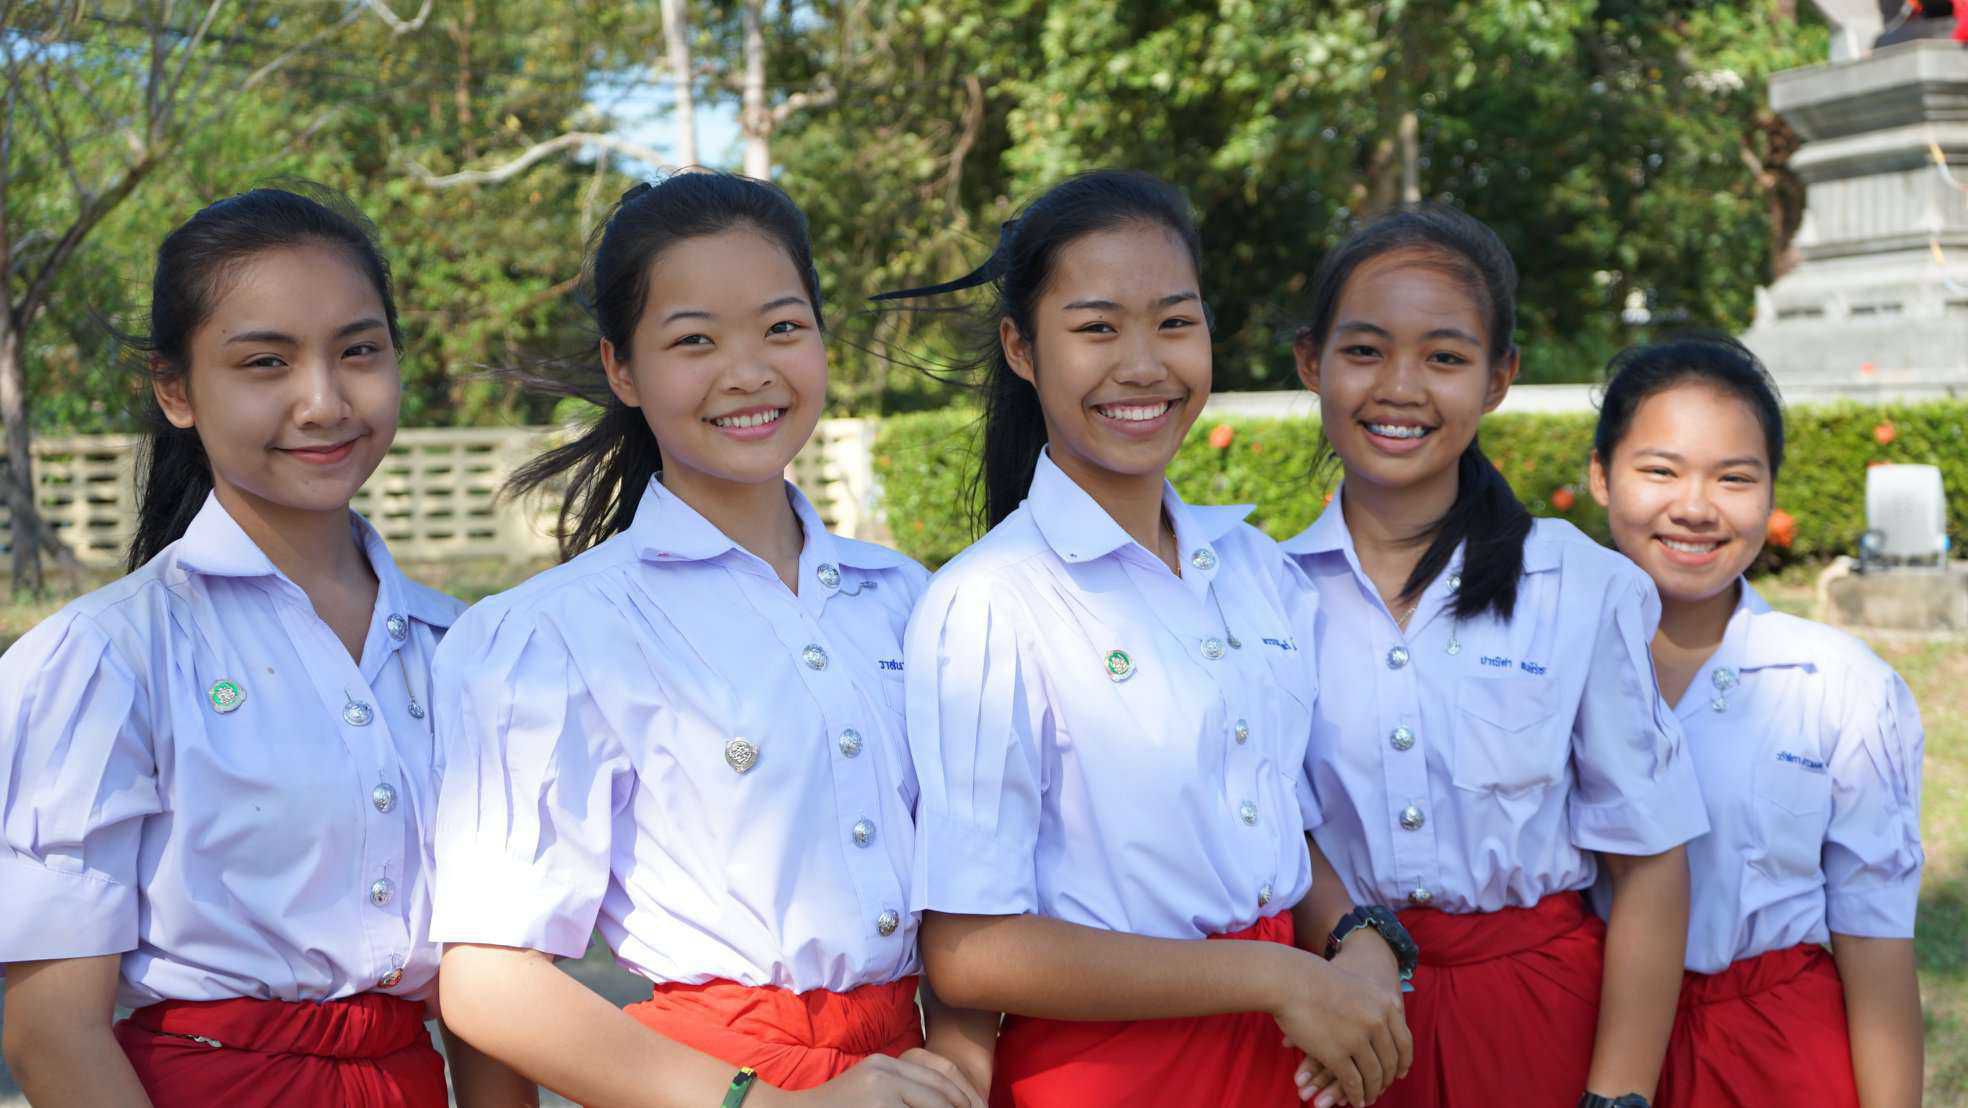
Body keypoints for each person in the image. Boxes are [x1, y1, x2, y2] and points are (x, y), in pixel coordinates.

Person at [428, 172, 985, 1108]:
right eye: (695, 340)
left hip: (910, 1080)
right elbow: (487, 981)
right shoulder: (553, 634)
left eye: (782, 327)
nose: (749, 371)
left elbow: (973, 889)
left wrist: (961, 1071)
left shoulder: (906, 599)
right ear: (621, 370)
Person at [885, 169, 1414, 1108]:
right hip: (1116, 1075)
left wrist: (1359, 937)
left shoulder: (1255, 570)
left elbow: (1275, 824)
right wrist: (1274, 978)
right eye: (1097, 329)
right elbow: (970, 950)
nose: (1143, 365)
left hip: (1289, 1058)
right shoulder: (991, 603)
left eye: (1174, 322)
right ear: (1020, 348)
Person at [0, 187, 519, 1106]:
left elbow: (495, 992)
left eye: (358, 351)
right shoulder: (109, 660)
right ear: (175, 390)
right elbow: (50, 1032)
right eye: (266, 362)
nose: (323, 402)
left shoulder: (466, 652)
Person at [1280, 204, 1707, 1108]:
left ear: (1499, 377)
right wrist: (1349, 936)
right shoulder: (1259, 596)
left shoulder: (1579, 586)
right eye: (1364, 351)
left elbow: (1649, 862)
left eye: (1445, 357)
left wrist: (1618, 1095)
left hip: (1536, 1025)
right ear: (1311, 362)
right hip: (1335, 1022)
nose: (1400, 387)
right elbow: (1271, 822)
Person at [1587, 335, 1924, 1108]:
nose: (1695, 507)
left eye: (1734, 477)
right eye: (1660, 471)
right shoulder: (1539, 666)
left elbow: (1877, 951)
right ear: (1601, 476)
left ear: (1771, 493)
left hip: (1773, 1055)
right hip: (1576, 1038)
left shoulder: (1840, 685)